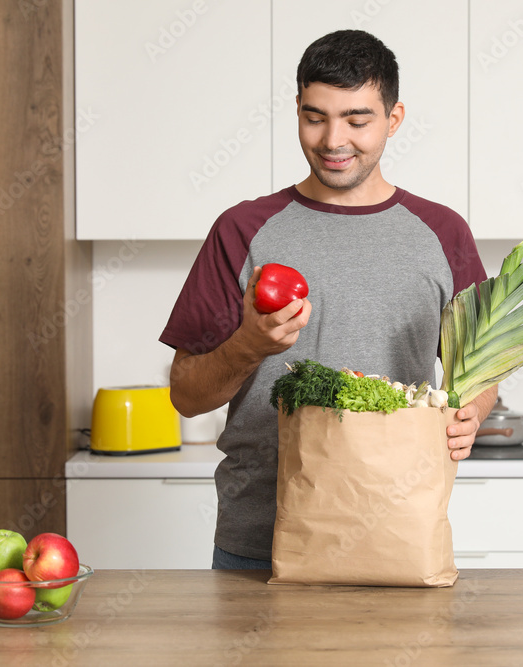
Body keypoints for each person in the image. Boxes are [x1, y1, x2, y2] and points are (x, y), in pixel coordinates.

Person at [159, 29, 497, 570]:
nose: (333, 139)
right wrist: (248, 345)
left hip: (396, 536)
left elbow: (481, 370)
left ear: (394, 117)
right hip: (258, 543)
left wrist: (471, 412)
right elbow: (187, 396)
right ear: (296, 109)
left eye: (358, 120)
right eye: (315, 117)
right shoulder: (242, 229)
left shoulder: (442, 233)